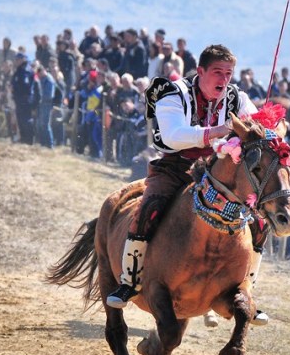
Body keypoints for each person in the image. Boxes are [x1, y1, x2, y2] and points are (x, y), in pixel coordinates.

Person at [104, 44, 258, 310]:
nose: (224, 79)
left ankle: (247, 289)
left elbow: (255, 124)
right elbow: (173, 136)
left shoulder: (238, 98)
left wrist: (264, 128)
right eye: (217, 72)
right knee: (149, 208)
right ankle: (130, 280)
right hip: (177, 167)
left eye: (229, 73)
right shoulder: (173, 94)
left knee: (260, 220)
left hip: (219, 172)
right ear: (200, 71)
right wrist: (216, 131)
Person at [11, 53, 37, 145]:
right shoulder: (18, 71)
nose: (16, 61)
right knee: (20, 120)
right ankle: (23, 139)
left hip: (25, 99)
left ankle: (29, 140)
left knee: (26, 120)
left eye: (18, 59)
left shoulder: (26, 71)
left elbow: (25, 85)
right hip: (18, 99)